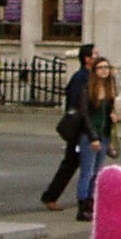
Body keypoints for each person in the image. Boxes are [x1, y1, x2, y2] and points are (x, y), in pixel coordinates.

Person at [41, 42, 96, 210]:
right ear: (87, 59)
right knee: (73, 164)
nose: (97, 57)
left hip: (84, 127)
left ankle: (52, 196)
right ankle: (55, 196)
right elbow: (76, 102)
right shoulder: (81, 77)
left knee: (73, 163)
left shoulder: (87, 76)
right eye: (95, 55)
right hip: (79, 127)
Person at [75, 56, 118, 221]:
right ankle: (82, 206)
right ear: (94, 71)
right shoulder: (87, 89)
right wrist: (93, 137)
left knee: (97, 173)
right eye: (100, 67)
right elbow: (85, 115)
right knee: (87, 171)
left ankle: (92, 203)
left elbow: (108, 113)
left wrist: (112, 116)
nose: (104, 70)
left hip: (104, 135)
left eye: (106, 67)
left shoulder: (109, 91)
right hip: (90, 136)